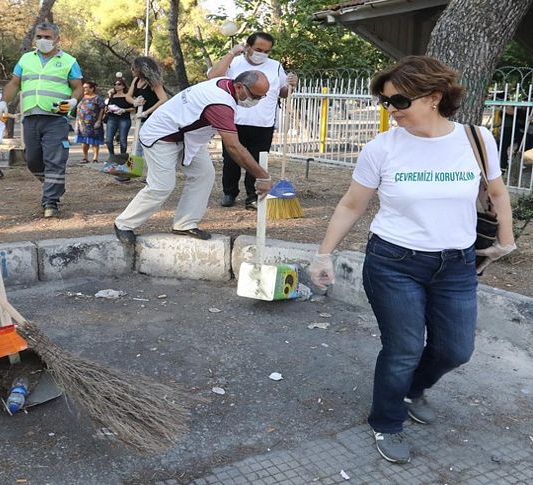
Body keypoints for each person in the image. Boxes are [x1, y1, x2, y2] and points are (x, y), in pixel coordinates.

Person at [308, 56, 516, 464]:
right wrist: (324, 254)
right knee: (403, 347)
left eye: (399, 101)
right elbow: (352, 204)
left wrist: (505, 241)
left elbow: (498, 192)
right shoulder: (382, 147)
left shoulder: (476, 139)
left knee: (456, 350)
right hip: (394, 262)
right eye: (386, 102)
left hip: (456, 264)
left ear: (434, 97)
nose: (391, 110)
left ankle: (410, 388)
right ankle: (386, 421)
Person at [113, 71, 275, 243]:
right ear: (239, 86)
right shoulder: (220, 103)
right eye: (256, 96)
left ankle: (185, 223)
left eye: (262, 97)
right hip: (161, 135)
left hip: (187, 136)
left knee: (204, 174)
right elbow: (233, 146)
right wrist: (263, 176)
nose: (257, 101)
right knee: (162, 186)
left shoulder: (227, 84)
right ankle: (124, 224)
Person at [0, 22, 83, 218]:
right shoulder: (26, 59)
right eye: (39, 37)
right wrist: (3, 101)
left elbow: (78, 86)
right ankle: (52, 184)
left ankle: (50, 200)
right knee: (32, 160)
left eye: (47, 37)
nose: (42, 41)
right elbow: (14, 83)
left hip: (56, 118)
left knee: (55, 160)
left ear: (57, 39)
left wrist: (72, 101)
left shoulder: (69, 61)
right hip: (30, 117)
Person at [207, 31, 297, 210]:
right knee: (231, 159)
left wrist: (291, 84)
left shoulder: (275, 66)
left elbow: (283, 91)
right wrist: (232, 53)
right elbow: (212, 77)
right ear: (247, 47)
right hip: (233, 121)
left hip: (263, 123)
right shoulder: (234, 63)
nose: (262, 53)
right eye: (258, 49)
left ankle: (253, 196)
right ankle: (229, 193)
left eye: (267, 51)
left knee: (257, 160)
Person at [125, 56, 168, 157]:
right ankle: (135, 168)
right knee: (136, 143)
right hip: (140, 118)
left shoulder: (154, 82)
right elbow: (128, 96)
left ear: (140, 69)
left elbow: (163, 99)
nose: (131, 70)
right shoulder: (136, 80)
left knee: (141, 143)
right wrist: (134, 102)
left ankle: (137, 167)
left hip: (153, 118)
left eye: (133, 68)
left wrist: (146, 112)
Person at [75, 80, 106, 163]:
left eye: (86, 87)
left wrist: (99, 120)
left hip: (93, 123)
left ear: (92, 89)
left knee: (94, 141)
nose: (84, 89)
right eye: (83, 87)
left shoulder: (97, 98)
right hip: (82, 124)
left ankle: (95, 158)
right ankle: (85, 157)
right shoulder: (81, 97)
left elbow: (102, 109)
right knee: (84, 141)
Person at [104, 77, 134, 158]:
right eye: (115, 84)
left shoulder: (127, 96)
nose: (116, 86)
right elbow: (107, 106)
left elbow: (134, 108)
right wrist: (108, 109)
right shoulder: (112, 96)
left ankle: (122, 158)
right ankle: (112, 156)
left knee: (122, 140)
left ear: (123, 86)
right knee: (108, 140)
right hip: (112, 118)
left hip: (124, 119)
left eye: (119, 84)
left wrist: (124, 110)